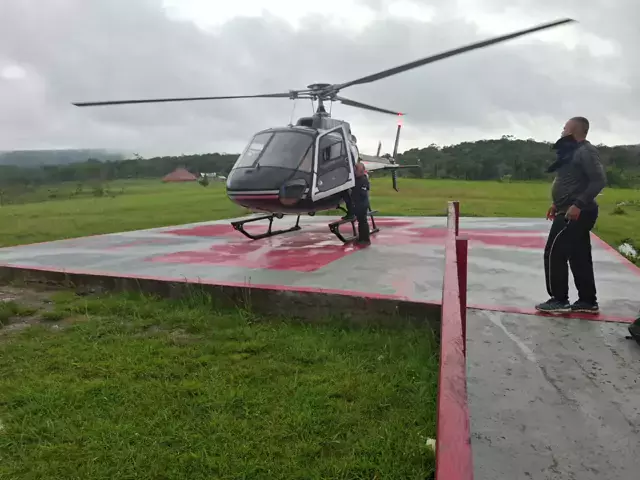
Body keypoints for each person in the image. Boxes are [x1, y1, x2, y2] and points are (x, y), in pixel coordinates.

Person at [535, 116, 607, 314]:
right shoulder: (573, 152)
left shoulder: (586, 151)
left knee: (554, 252)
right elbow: (572, 181)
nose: (562, 131)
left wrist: (577, 205)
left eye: (565, 127)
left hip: (575, 212)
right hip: (567, 209)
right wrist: (556, 203)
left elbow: (598, 180)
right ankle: (587, 301)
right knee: (578, 256)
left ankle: (559, 299)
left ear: (574, 130)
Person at [352, 162, 371, 245]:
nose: (355, 172)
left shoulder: (363, 180)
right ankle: (362, 238)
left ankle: (365, 239)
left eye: (356, 171)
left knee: (363, 222)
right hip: (360, 203)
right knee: (361, 222)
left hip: (362, 204)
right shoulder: (359, 179)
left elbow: (362, 193)